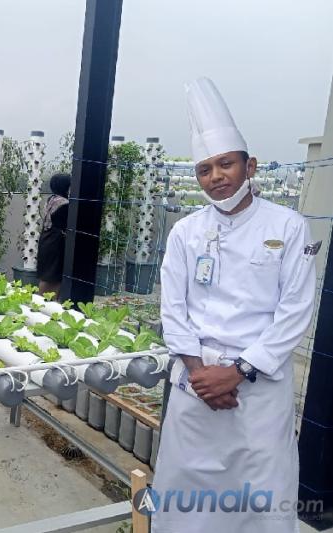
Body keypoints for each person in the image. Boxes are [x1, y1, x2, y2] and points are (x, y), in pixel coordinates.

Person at [151, 77, 317, 533]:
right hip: (196, 382)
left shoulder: (288, 226)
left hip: (259, 387)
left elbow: (294, 312)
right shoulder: (185, 231)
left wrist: (239, 371)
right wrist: (202, 372)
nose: (216, 177)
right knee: (187, 482)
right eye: (205, 169)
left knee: (261, 485)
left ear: (250, 166)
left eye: (226, 164)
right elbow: (174, 309)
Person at [36, 173, 70, 297]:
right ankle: (48, 305)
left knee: (46, 275)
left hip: (46, 238)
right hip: (56, 242)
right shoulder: (65, 204)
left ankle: (40, 303)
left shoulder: (51, 199)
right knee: (54, 276)